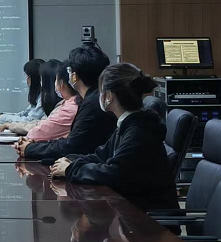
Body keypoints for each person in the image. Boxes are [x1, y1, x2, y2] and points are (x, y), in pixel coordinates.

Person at [50, 63, 179, 211]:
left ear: (109, 96)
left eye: (100, 91)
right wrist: (70, 160)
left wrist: (70, 169)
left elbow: (114, 174)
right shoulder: (130, 123)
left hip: (147, 218)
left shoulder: (139, 130)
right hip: (132, 210)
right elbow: (101, 155)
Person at [16, 46, 116, 159]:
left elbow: (71, 146)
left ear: (74, 77)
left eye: (69, 71)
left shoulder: (92, 104)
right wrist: (35, 146)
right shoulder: (94, 98)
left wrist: (30, 149)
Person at [2, 60, 79, 141]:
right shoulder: (65, 103)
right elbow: (41, 123)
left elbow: (39, 131)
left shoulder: (69, 107)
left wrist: (24, 138)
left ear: (61, 83)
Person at [0, 59, 46, 124]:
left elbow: (29, 120)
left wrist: (2, 118)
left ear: (30, 78)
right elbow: (24, 114)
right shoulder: (39, 95)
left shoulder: (44, 97)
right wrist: (3, 116)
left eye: (27, 76)